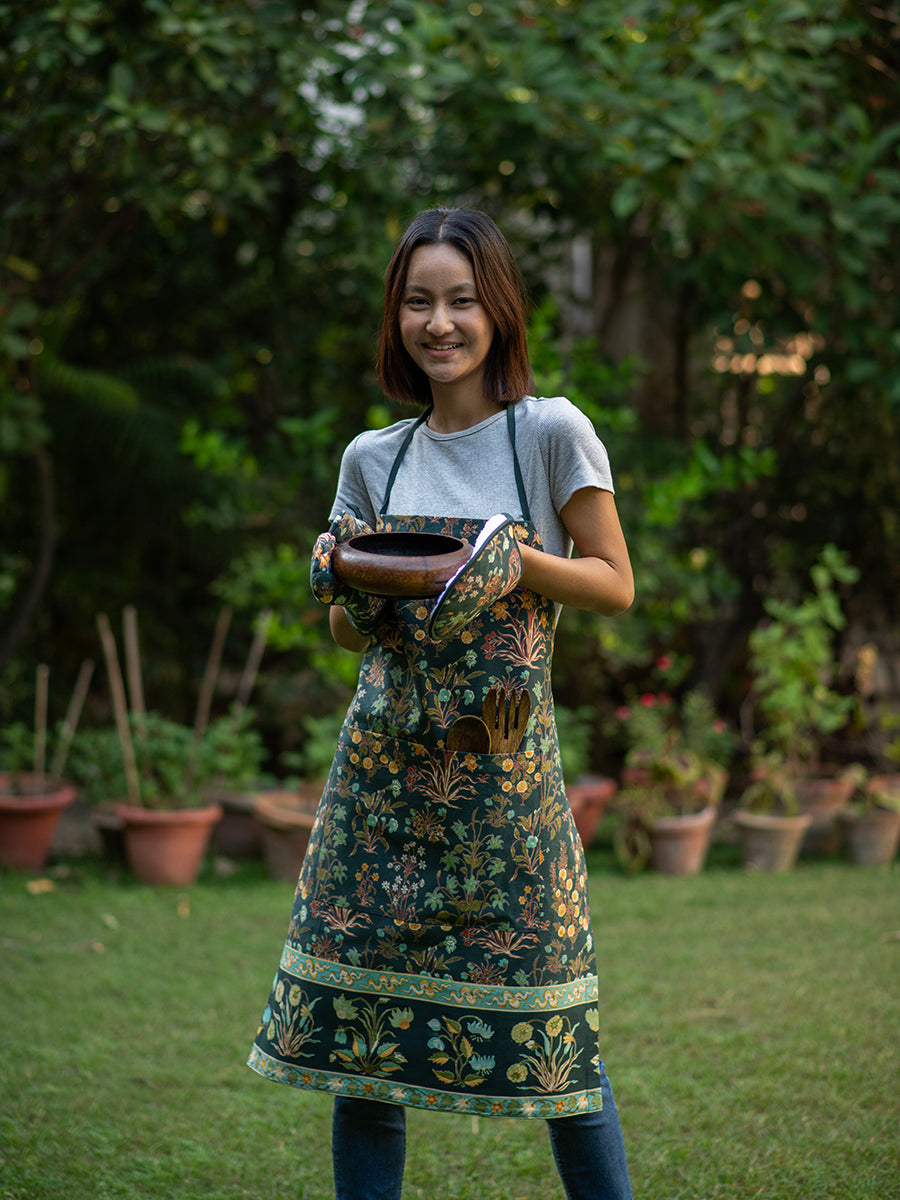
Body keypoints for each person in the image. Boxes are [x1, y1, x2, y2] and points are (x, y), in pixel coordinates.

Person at [248, 207, 635, 1200]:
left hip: (505, 791)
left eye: (462, 300)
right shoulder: (372, 458)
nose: (440, 323)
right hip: (381, 797)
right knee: (365, 1063)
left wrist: (513, 564)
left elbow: (614, 582)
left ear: (498, 310)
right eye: (419, 302)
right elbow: (347, 634)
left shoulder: (549, 431)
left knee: (562, 1057)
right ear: (397, 317)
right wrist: (343, 583)